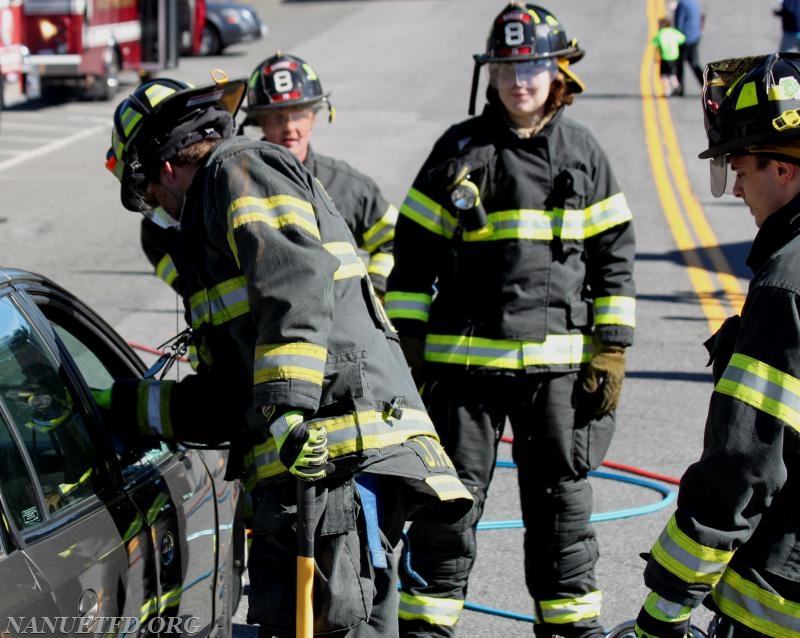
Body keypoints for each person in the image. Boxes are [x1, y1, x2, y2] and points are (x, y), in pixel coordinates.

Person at [102, 73, 473, 637]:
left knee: (339, 627)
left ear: (167, 168)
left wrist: (288, 412)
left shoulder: (237, 168)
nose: (155, 206)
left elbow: (296, 280)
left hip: (337, 459)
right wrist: (120, 404)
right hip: (308, 472)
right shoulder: (210, 225)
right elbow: (233, 396)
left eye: (148, 191)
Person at [384, 3, 636, 638]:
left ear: (558, 74)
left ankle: (572, 628)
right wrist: (407, 346)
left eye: (533, 66)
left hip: (556, 374)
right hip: (464, 371)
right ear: (489, 75)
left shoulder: (584, 154)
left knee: (561, 503)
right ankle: (425, 627)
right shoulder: (459, 152)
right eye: (507, 66)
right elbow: (411, 258)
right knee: (447, 504)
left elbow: (615, 259)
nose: (520, 80)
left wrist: (611, 348)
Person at [635, 52, 800, 638]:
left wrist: (666, 608)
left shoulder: (786, 285)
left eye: (741, 166)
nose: (734, 188)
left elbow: (744, 468)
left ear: (782, 169)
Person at [140, 52, 398, 300]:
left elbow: (393, 240)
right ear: (259, 122)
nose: (289, 128)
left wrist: (374, 290)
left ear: (314, 118)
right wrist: (196, 290)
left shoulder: (347, 185)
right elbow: (156, 228)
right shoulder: (230, 181)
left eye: (299, 114)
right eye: (276, 118)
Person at [672, 0, 704, 95]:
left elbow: (679, 24)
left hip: (685, 38)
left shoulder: (682, 4)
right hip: (695, 36)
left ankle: (680, 88)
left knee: (679, 64)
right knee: (694, 63)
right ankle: (706, 85)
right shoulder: (693, 1)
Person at [652, 17, 686, 97]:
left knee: (663, 75)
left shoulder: (660, 34)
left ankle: (667, 90)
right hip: (674, 56)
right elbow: (682, 39)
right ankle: (676, 85)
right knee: (672, 73)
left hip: (665, 57)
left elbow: (654, 43)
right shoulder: (673, 32)